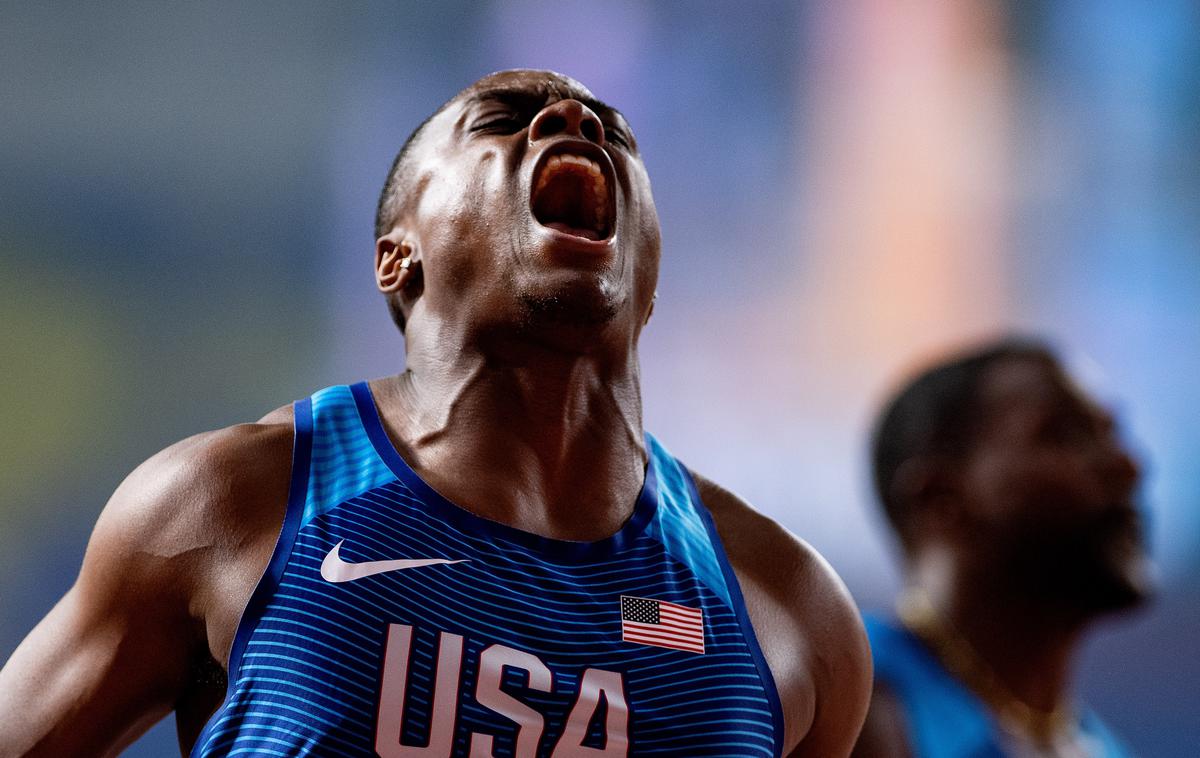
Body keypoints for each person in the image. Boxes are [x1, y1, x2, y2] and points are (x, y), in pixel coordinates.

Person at [0, 70, 871, 757]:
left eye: (614, 131)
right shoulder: (223, 505)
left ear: (648, 279)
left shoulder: (786, 606)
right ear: (396, 258)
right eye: (500, 119)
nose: (574, 123)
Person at [852, 339, 1151, 758]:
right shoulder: (838, 696)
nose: (1128, 466)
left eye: (1111, 433)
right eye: (1065, 435)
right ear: (940, 500)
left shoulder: (1104, 748)